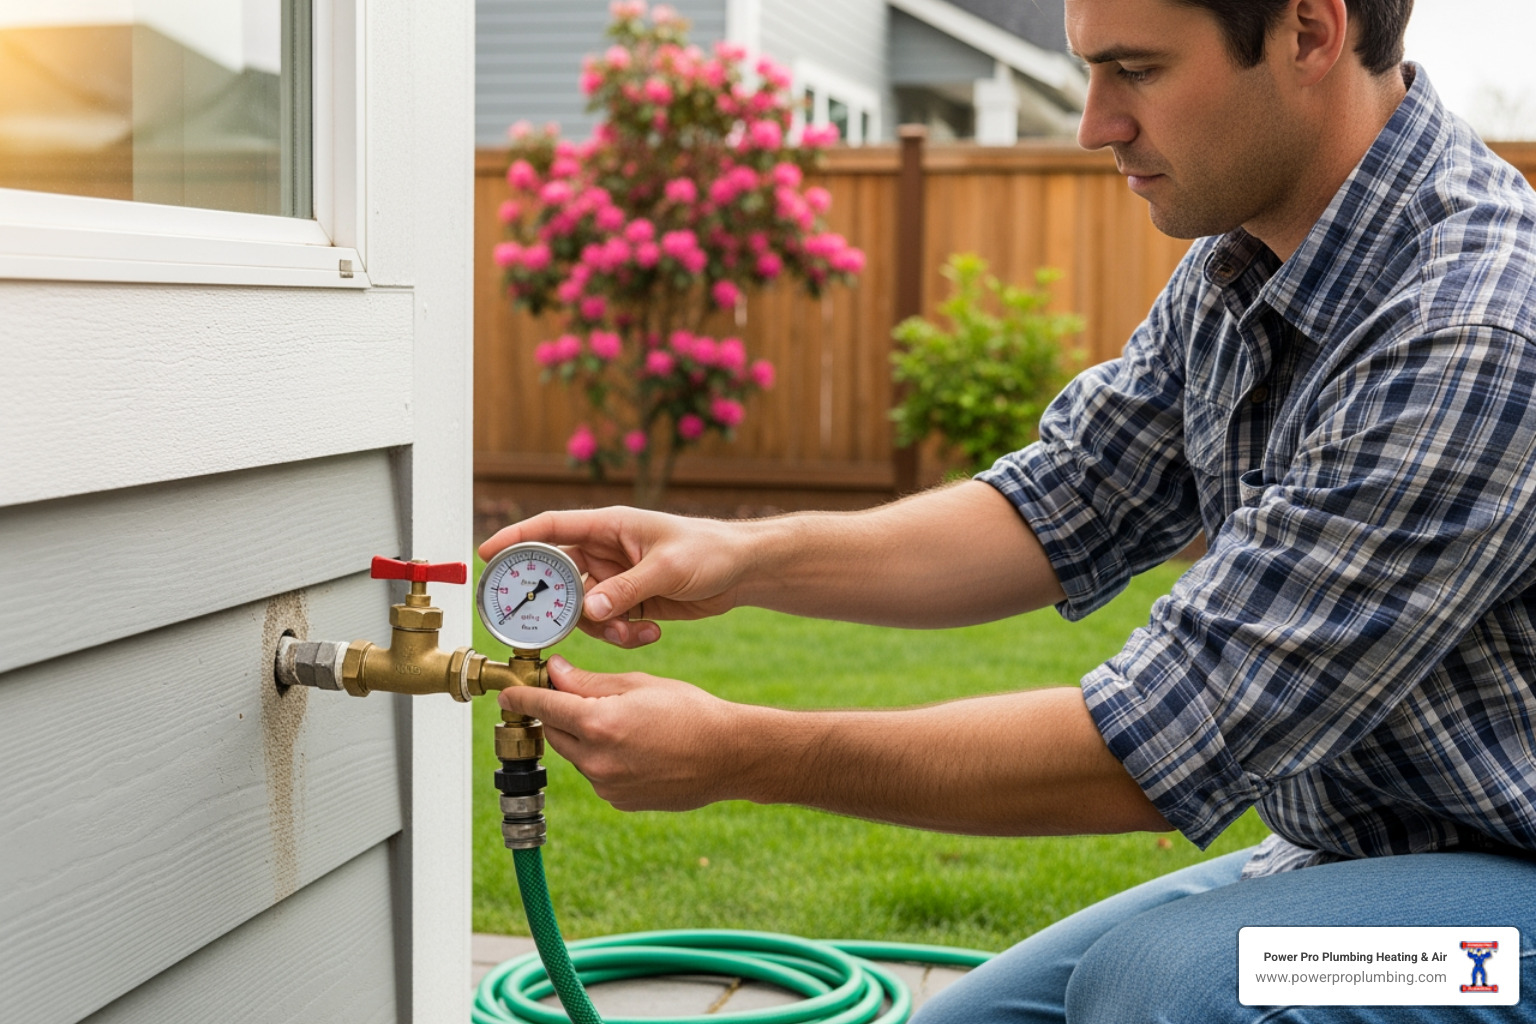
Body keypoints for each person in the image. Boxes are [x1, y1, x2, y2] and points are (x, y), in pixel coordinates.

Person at [484, 0, 1536, 1018]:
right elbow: (1062, 500)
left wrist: (743, 752)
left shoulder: (1474, 326)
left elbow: (1165, 733)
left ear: (1309, 31)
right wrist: (742, 554)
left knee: (1170, 991)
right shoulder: (1246, 266)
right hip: (1348, 861)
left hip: (1504, 912)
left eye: (1136, 70)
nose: (1095, 124)